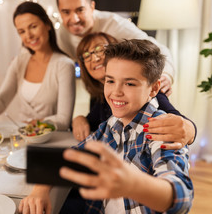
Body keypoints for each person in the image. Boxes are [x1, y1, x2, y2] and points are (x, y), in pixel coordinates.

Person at [19, 39, 193, 214]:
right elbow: (73, 156)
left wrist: (133, 184)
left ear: (154, 89)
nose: (116, 91)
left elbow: (181, 196)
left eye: (130, 83)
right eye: (110, 81)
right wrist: (40, 188)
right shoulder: (111, 125)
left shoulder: (161, 129)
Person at [72, 32, 195, 150]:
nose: (95, 58)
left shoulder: (148, 94)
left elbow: (181, 123)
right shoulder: (102, 95)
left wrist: (190, 129)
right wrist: (79, 119)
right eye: (86, 55)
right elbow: (94, 124)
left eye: (99, 49)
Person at [55, 0, 174, 95]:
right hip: (98, 93)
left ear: (92, 7)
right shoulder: (62, 35)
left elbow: (159, 49)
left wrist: (166, 76)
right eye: (66, 12)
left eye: (80, 10)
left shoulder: (115, 25)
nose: (74, 19)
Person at [0, 2, 75, 131]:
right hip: (24, 139)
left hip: (53, 141)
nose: (28, 36)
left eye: (33, 27)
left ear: (47, 24)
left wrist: (30, 125)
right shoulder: (19, 62)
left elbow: (64, 120)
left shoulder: (64, 65)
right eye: (22, 31)